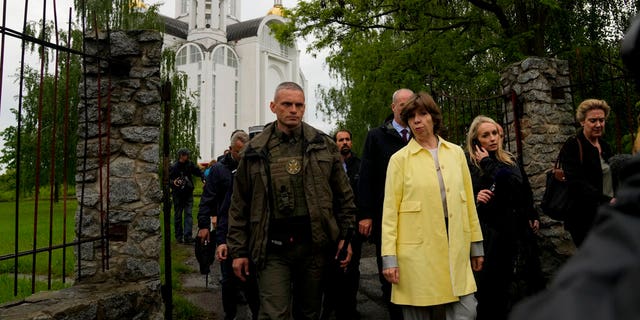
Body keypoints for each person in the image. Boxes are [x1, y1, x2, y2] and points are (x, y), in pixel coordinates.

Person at [226, 81, 357, 320]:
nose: (293, 110)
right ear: (273, 106)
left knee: (310, 313)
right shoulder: (254, 151)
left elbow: (344, 198)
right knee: (275, 314)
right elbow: (239, 206)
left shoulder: (323, 146)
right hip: (272, 250)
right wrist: (239, 251)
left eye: (299, 105)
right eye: (287, 104)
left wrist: (345, 239)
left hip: (314, 248)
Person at [381, 91, 484, 320]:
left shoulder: (456, 153)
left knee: (467, 311)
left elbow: (469, 203)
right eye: (411, 117)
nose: (417, 120)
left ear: (433, 117)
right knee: (418, 313)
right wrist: (390, 258)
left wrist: (476, 246)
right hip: (416, 253)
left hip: (455, 242)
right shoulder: (399, 160)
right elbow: (389, 213)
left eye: (422, 114)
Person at [466, 115, 542, 320]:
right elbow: (459, 196)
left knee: (525, 284)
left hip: (518, 229)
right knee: (494, 289)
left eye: (494, 134)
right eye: (485, 135)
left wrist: (531, 213)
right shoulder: (469, 164)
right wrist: (475, 197)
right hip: (492, 233)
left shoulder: (508, 159)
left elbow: (521, 188)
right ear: (475, 140)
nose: (492, 138)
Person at [357, 88, 413, 319]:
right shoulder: (376, 136)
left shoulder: (421, 133)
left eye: (410, 104)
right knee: (388, 268)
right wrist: (366, 214)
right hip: (385, 214)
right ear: (393, 107)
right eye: (402, 104)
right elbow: (366, 176)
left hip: (415, 214)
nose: (407, 108)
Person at [197, 130, 259, 320]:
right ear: (231, 149)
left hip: (252, 229)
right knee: (227, 279)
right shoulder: (218, 170)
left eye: (244, 152)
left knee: (253, 278)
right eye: (238, 152)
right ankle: (230, 314)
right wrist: (204, 224)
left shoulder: (253, 165)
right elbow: (207, 198)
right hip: (226, 227)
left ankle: (257, 312)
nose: (241, 156)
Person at [558, 98, 613, 247]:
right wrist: (606, 200)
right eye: (593, 120)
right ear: (582, 122)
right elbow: (576, 183)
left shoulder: (605, 146)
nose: (598, 125)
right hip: (583, 219)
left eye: (601, 120)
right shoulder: (573, 146)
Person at [321, 129, 362, 320]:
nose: (344, 142)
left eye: (347, 139)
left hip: (354, 225)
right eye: (340, 140)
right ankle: (330, 308)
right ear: (335, 143)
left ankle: (350, 310)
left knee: (352, 270)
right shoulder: (327, 165)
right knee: (332, 270)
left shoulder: (360, 165)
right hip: (332, 226)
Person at [169, 148, 204, 244]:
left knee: (188, 215)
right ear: (181, 155)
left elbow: (198, 171)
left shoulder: (190, 164)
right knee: (178, 215)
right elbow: (168, 180)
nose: (188, 156)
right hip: (177, 194)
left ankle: (188, 237)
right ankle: (179, 237)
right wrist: (174, 182)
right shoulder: (174, 166)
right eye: (186, 155)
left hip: (188, 193)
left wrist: (203, 177)